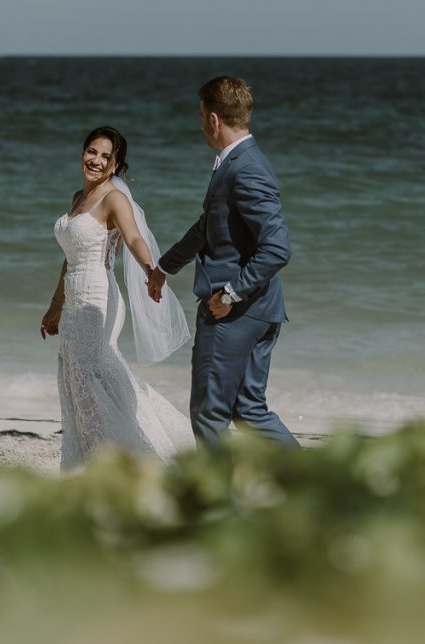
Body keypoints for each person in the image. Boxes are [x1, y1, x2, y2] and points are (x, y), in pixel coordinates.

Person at [148, 76, 299, 452]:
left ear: (214, 119)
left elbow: (277, 248)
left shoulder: (246, 168)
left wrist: (230, 294)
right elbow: (209, 225)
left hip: (234, 313)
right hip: (261, 311)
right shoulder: (236, 162)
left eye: (201, 115)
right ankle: (320, 484)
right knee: (248, 411)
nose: (200, 124)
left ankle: (218, 502)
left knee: (208, 412)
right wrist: (166, 267)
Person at [41, 126, 193, 471]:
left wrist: (151, 270)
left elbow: (135, 239)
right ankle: (88, 461)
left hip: (99, 298)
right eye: (91, 152)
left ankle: (130, 459)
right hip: (75, 299)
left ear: (115, 165)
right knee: (76, 375)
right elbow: (71, 258)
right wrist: (55, 304)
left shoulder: (114, 198)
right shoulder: (77, 199)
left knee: (93, 374)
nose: (95, 160)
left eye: (105, 156)